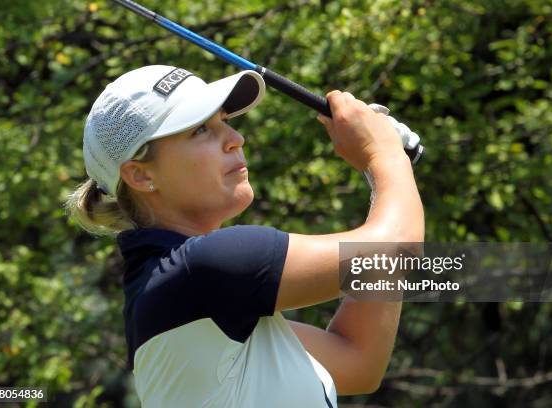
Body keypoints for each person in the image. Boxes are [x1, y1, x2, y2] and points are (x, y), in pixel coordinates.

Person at [65, 65, 424, 407]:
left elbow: (358, 360)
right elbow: (394, 252)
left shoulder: (201, 303)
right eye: (200, 130)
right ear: (140, 176)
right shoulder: (209, 268)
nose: (236, 138)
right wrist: (383, 154)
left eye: (224, 122)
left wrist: (386, 168)